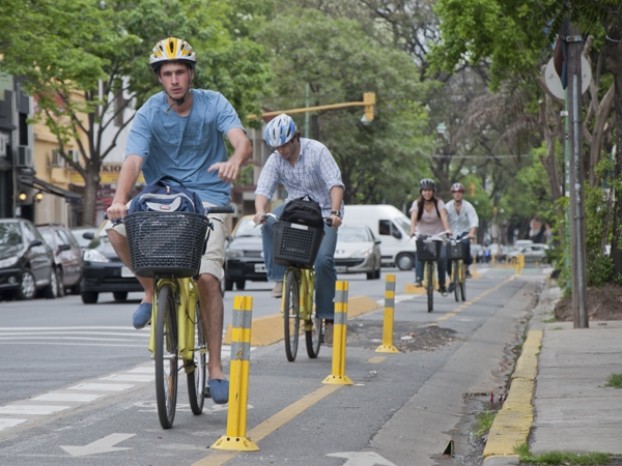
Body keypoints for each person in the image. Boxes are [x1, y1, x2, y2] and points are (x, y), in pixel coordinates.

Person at [105, 37, 252, 404]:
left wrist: (236, 158)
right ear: (160, 78)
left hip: (209, 202)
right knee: (115, 231)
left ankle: (215, 368)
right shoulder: (149, 113)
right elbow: (134, 160)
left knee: (206, 277)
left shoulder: (214, 102)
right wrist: (121, 199)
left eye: (180, 72)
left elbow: (241, 140)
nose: (174, 80)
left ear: (191, 74)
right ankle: (152, 291)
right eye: (167, 73)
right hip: (161, 198)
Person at [253, 114, 344, 345]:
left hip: (324, 212)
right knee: (269, 222)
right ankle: (279, 277)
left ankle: (328, 318)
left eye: (284, 144)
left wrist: (334, 213)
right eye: (277, 147)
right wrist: (259, 211)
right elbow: (263, 189)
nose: (281, 150)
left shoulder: (318, 151)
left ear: (296, 138)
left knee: (323, 261)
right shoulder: (275, 159)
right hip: (297, 208)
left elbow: (335, 184)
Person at [409, 178, 451, 293]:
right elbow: (413, 219)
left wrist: (447, 229)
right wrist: (412, 231)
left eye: (429, 190)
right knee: (420, 254)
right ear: (421, 191)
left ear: (433, 191)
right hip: (423, 235)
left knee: (442, 257)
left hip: (438, 235)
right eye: (424, 190)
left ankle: (442, 284)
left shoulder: (439, 203)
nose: (427, 193)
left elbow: (443, 217)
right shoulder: (417, 204)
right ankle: (418, 278)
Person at [445, 182, 479, 289]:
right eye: (455, 192)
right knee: (447, 255)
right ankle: (451, 278)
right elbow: (443, 220)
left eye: (459, 192)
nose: (457, 194)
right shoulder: (447, 206)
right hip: (451, 233)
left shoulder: (468, 206)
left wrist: (472, 233)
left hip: (464, 232)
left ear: (462, 194)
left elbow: (474, 220)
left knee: (465, 243)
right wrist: (445, 231)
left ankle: (465, 267)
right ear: (452, 194)